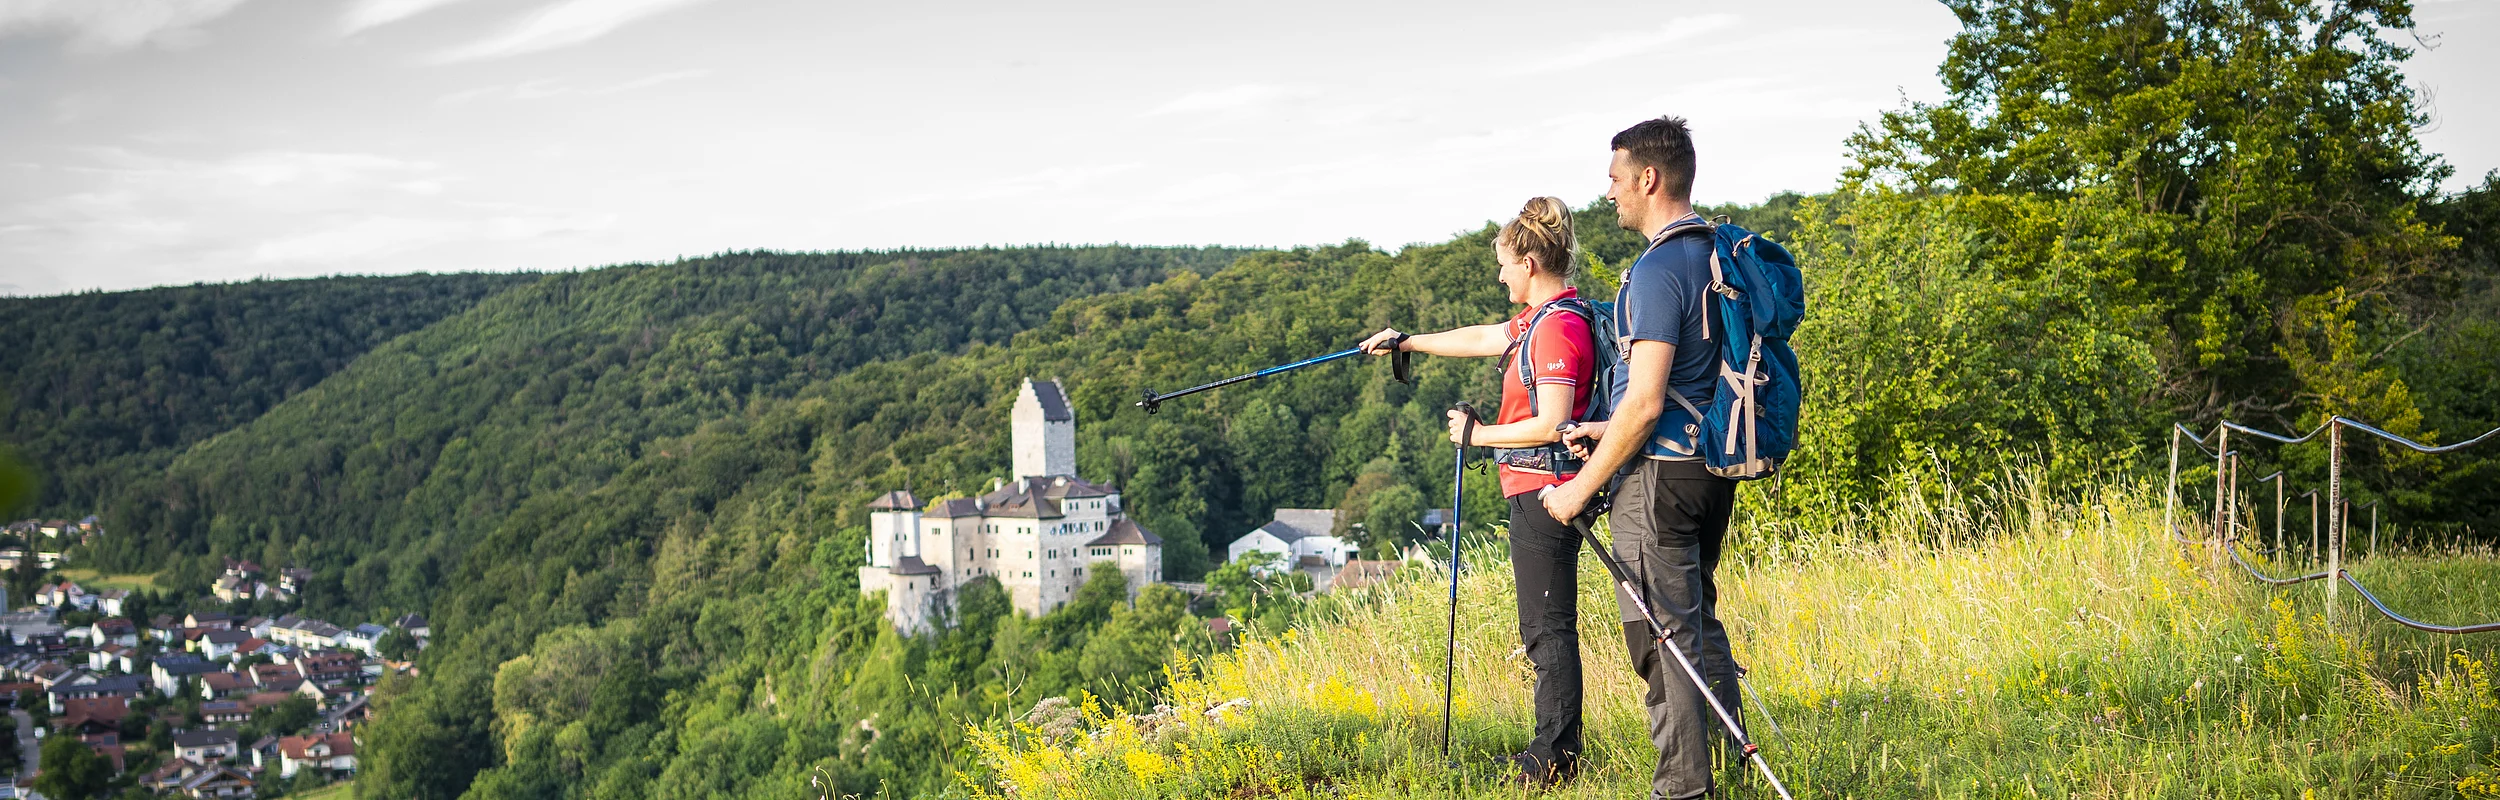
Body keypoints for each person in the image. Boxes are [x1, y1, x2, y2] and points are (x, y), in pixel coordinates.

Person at [1358, 196, 1597, 787]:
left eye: (1504, 264)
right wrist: (1408, 342)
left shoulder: (1559, 328)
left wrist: (1477, 435)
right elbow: (1482, 336)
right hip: (1534, 485)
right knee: (1542, 623)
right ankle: (1554, 750)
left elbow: (1553, 421)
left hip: (1548, 488)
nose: (1499, 274)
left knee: (1547, 626)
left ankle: (1555, 760)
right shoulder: (1540, 319)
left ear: (1531, 263)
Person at [1542, 115, 1744, 800]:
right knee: (1695, 624)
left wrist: (1578, 492)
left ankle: (1685, 790)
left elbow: (1649, 401)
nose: (1608, 192)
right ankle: (1730, 772)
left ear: (1648, 179)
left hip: (1658, 479)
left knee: (1663, 641)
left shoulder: (1659, 268)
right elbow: (1689, 380)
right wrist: (1606, 428)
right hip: (1709, 468)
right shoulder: (1714, 253)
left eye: (1615, 178)